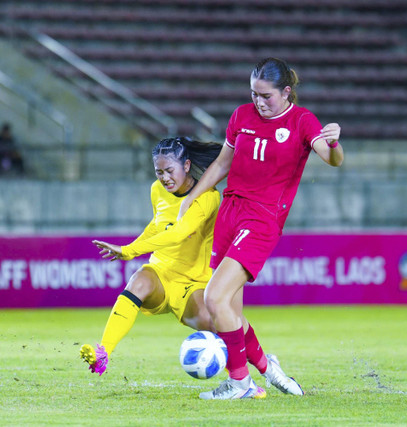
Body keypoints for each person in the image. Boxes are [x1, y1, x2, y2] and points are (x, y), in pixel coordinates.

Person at [177, 57, 344, 400]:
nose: (258, 101)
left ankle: (239, 382)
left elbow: (331, 159)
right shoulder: (241, 115)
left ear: (286, 92)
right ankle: (268, 369)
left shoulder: (301, 121)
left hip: (262, 219)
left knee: (213, 298)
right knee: (229, 312)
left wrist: (335, 141)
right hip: (230, 212)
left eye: (265, 95)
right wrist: (193, 195)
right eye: (253, 94)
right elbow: (224, 162)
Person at [80, 137, 226, 377]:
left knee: (220, 328)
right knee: (138, 281)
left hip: (192, 284)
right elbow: (157, 226)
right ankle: (102, 353)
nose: (164, 178)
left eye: (170, 171)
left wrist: (130, 251)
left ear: (187, 166)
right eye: (159, 172)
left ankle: (244, 379)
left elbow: (179, 233)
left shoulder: (208, 197)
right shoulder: (156, 190)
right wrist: (131, 245)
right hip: (160, 272)